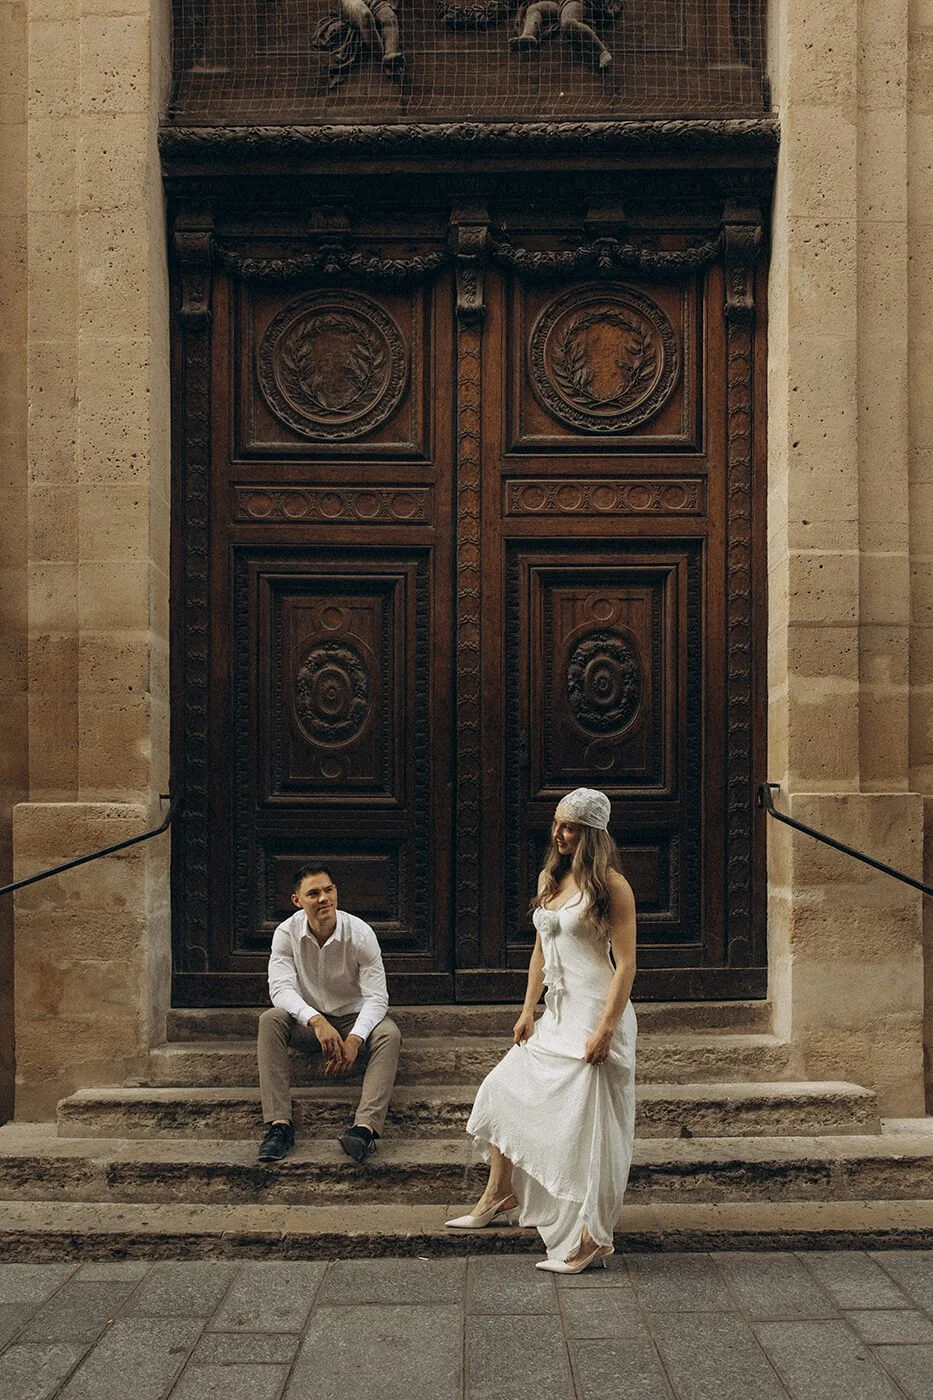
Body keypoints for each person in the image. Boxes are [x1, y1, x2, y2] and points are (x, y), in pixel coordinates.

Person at [447, 787, 637, 1273]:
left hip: (596, 1012)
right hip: (557, 1012)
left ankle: (592, 1237)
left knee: (591, 1127)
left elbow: (626, 964)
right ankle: (499, 1193)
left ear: (592, 832)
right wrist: (528, 1009)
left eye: (569, 826)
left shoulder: (612, 886)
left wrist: (607, 1029)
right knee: (501, 1088)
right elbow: (540, 949)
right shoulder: (551, 878)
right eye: (556, 823)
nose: (558, 833)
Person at [256, 864, 402, 1164]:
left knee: (389, 1033)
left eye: (329, 890)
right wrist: (315, 1020)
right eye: (313, 893)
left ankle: (364, 1130)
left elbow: (377, 997)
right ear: (297, 900)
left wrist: (355, 1039)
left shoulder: (360, 933)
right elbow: (280, 989)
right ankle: (279, 1126)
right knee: (270, 1019)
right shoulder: (286, 933)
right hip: (308, 1023)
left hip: (352, 1018)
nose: (324, 898)